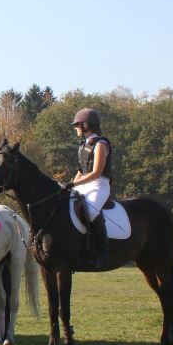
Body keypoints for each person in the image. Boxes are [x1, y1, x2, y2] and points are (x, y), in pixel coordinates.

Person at [70, 108, 112, 270]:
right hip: (84, 184)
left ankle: (103, 255)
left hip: (99, 185)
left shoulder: (101, 144)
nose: (76, 128)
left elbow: (96, 173)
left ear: (86, 125)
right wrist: (70, 186)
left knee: (92, 211)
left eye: (77, 125)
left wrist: (74, 185)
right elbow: (81, 170)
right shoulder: (84, 145)